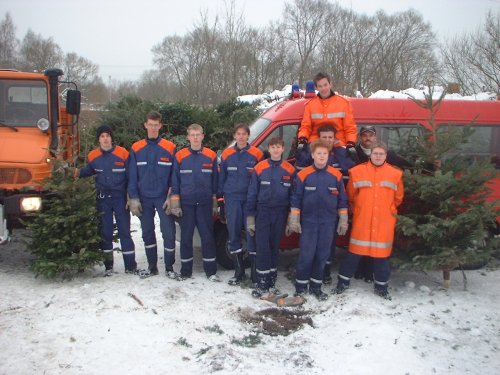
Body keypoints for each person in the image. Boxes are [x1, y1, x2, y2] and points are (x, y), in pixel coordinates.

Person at [335, 142, 404, 300]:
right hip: (363, 220)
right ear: (370, 155)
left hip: (384, 222)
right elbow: (350, 195)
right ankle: (342, 283)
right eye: (375, 153)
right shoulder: (357, 172)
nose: (378, 156)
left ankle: (381, 288)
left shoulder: (395, 174)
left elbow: (398, 198)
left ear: (386, 156)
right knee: (353, 254)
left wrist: (388, 210)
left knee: (381, 257)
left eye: (381, 153)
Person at [287, 139, 349, 301]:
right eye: (318, 153)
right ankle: (301, 287)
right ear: (313, 155)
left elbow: (342, 200)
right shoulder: (303, 175)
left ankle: (316, 287)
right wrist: (294, 219)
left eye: (324, 153)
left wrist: (343, 219)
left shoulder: (336, 175)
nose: (321, 156)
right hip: (309, 222)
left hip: (328, 223)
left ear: (328, 156)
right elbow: (296, 199)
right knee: (306, 255)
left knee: (322, 255)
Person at [353, 125, 411, 282]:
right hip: (362, 206)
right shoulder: (353, 152)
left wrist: (429, 166)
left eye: (370, 135)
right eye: (364, 135)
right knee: (360, 241)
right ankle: (360, 271)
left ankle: (371, 273)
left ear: (375, 137)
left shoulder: (388, 154)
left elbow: (405, 164)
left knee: (376, 243)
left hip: (381, 208)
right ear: (360, 137)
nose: (368, 138)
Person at [77, 125, 137, 276]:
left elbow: (131, 176)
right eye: (102, 136)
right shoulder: (93, 156)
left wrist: (131, 196)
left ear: (111, 138)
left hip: (120, 199)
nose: (105, 139)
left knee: (125, 232)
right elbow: (86, 172)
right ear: (98, 139)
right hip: (103, 199)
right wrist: (71, 172)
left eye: (108, 136)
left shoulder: (122, 153)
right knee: (106, 233)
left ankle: (130, 266)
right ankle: (108, 266)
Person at [127, 111, 177, 278]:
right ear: (145, 125)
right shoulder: (136, 148)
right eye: (151, 124)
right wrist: (133, 197)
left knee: (169, 232)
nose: (153, 128)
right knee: (147, 232)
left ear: (160, 126)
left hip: (163, 198)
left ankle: (169, 267)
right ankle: (152, 267)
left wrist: (172, 196)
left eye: (156, 125)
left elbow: (175, 176)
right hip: (144, 198)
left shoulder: (170, 147)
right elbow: (132, 175)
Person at [246, 137, 295, 299]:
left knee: (274, 248)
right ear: (269, 148)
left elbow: (293, 196)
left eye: (278, 147)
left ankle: (271, 283)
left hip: (280, 213)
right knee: (263, 248)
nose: (275, 150)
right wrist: (250, 217)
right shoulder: (259, 168)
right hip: (263, 213)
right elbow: (252, 193)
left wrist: (291, 218)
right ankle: (261, 284)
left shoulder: (289, 169)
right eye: (272, 147)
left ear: (283, 149)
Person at [170, 123, 220, 281]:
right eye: (193, 135)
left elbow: (215, 181)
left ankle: (211, 272)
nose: (196, 137)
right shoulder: (180, 156)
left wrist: (214, 201)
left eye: (198, 134)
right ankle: (186, 271)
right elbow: (175, 181)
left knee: (207, 237)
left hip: (205, 203)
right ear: (188, 137)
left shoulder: (211, 156)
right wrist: (175, 202)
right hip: (187, 204)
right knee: (186, 238)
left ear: (203, 136)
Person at [218, 123, 264, 286]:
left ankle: (254, 273)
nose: (241, 137)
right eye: (238, 134)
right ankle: (238, 272)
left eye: (244, 134)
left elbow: (260, 179)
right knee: (233, 233)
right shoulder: (227, 154)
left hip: (250, 200)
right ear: (234, 136)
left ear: (248, 136)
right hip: (232, 199)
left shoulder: (257, 154)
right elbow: (221, 178)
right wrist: (221, 202)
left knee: (251, 234)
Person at [297, 72, 357, 172]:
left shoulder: (344, 103)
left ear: (330, 84)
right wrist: (302, 140)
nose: (323, 88)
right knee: (302, 161)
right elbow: (305, 126)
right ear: (316, 88)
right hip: (316, 140)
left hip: (338, 141)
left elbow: (350, 127)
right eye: (320, 86)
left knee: (349, 166)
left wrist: (350, 143)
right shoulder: (310, 105)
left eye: (325, 85)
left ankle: (344, 185)